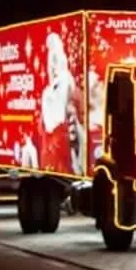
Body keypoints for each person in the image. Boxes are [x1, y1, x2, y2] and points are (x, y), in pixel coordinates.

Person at [40, 33, 84, 175]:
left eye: (56, 61)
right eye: (51, 62)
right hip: (56, 135)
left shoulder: (65, 81)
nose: (52, 66)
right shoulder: (49, 91)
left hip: (63, 132)